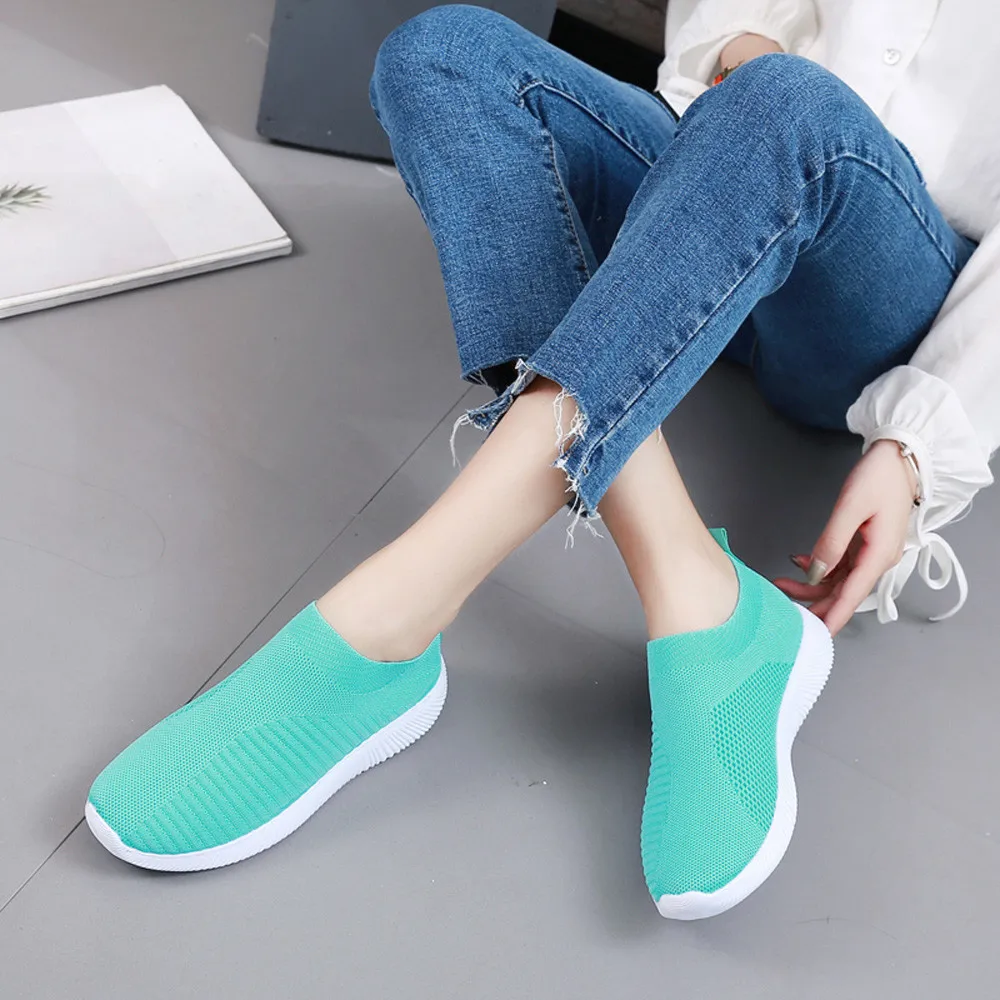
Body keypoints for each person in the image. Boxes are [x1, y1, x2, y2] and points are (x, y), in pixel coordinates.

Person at [83, 0, 999, 919]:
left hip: (883, 282)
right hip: (723, 175)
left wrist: (921, 440)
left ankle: (392, 610)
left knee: (792, 103)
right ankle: (699, 594)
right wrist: (735, 41)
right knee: (443, 57)